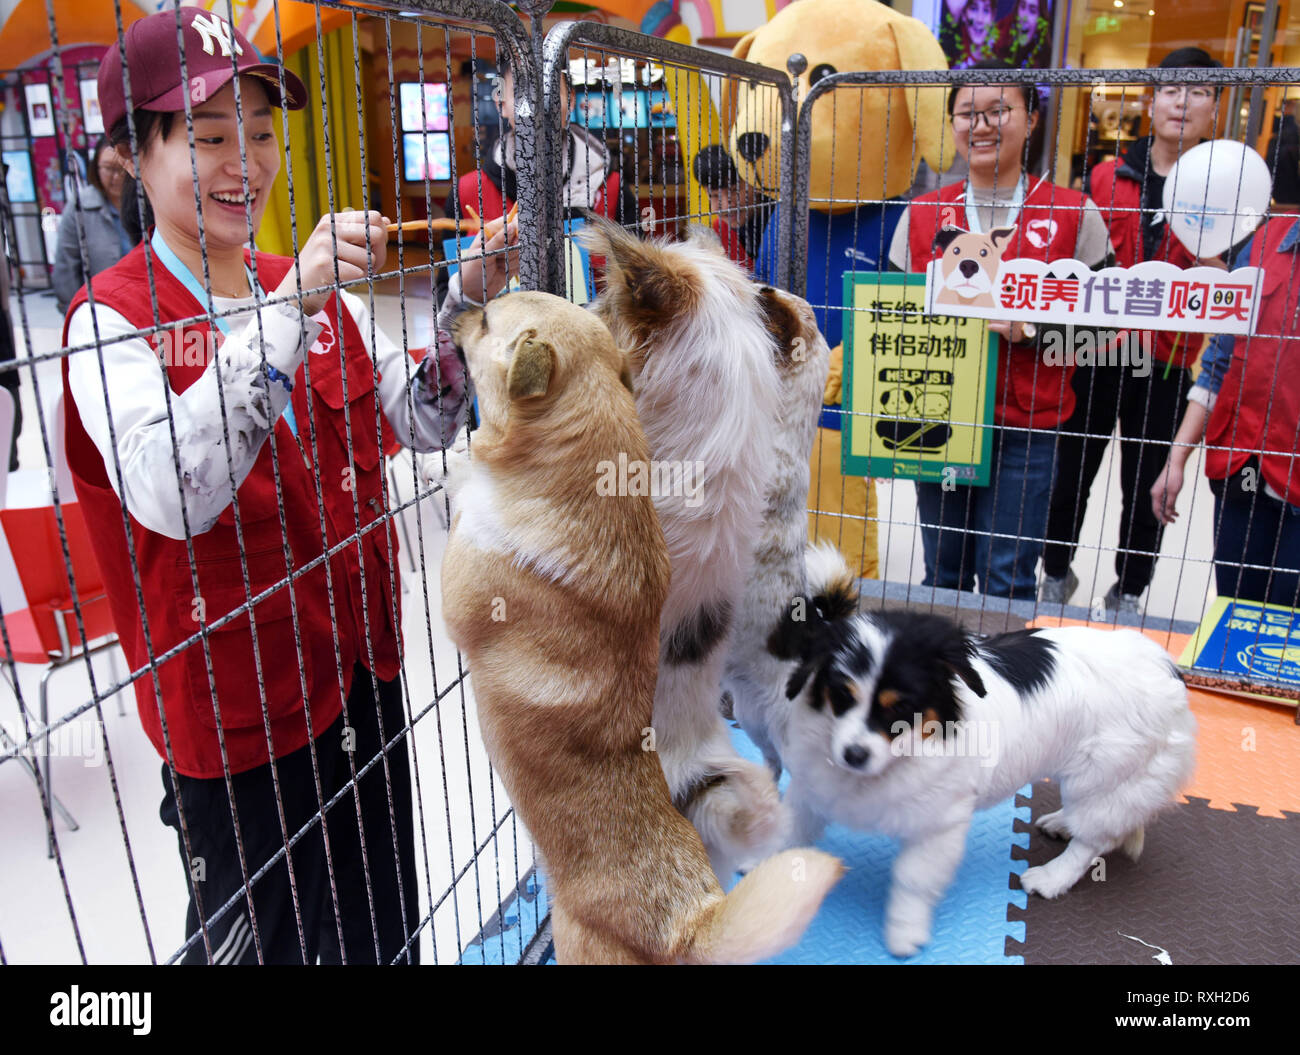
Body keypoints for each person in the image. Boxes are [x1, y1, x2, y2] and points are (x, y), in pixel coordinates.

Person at [62, 8, 469, 964]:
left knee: (381, 931)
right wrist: (290, 311)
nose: (243, 162)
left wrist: (464, 313)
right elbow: (178, 490)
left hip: (359, 681)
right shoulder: (108, 324)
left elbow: (410, 425)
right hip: (235, 726)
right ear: (134, 155)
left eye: (258, 133)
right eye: (206, 139)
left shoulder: (300, 282)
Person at [888, 68, 1114, 600]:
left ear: (1031, 119)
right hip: (937, 418)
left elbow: (1103, 333)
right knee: (941, 577)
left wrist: (1033, 329)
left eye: (999, 110)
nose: (982, 124)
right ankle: (944, 681)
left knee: (1007, 580)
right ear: (952, 124)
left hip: (1027, 428)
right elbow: (894, 324)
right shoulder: (922, 215)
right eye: (968, 113)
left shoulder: (1074, 215)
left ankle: (1004, 682)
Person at [1041, 48, 1222, 615]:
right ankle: (1053, 572)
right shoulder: (1105, 173)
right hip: (1097, 350)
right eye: (1171, 90)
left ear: (1214, 108)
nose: (1182, 102)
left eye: (1198, 93)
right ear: (1151, 101)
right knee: (1071, 467)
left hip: (1168, 358)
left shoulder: (1225, 186)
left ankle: (1131, 590)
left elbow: (1227, 281)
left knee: (1147, 483)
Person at [1151, 215, 1300, 609]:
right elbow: (1219, 361)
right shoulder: (1268, 239)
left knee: (1290, 618)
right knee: (1236, 605)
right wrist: (1176, 459)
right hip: (1247, 465)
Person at [448, 52, 638, 230]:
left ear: (570, 101)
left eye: (551, 91)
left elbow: (638, 264)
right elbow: (450, 265)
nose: (539, 106)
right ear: (501, 104)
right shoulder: (468, 192)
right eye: (523, 92)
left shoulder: (611, 187)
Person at [52, 136, 132, 315]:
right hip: (101, 310)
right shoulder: (80, 206)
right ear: (96, 168)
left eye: (122, 169)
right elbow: (66, 265)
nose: (117, 177)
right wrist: (75, 312)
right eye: (109, 169)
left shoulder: (147, 201)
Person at [692, 143, 774, 269]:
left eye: (735, 190)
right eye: (714, 196)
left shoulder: (781, 217)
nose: (726, 205)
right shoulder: (722, 228)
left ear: (754, 183)